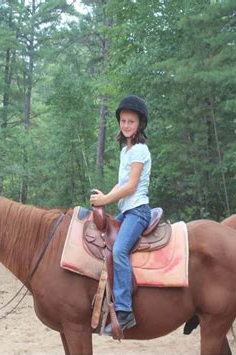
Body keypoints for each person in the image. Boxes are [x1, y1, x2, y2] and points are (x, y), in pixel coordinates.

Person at [90, 94, 152, 334]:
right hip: (126, 210)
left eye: (131, 121)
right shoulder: (125, 152)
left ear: (140, 124)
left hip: (138, 211)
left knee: (119, 250)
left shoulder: (139, 150)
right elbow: (120, 184)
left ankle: (125, 311)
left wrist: (106, 199)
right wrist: (104, 196)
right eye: (123, 121)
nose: (126, 125)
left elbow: (132, 186)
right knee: (104, 246)